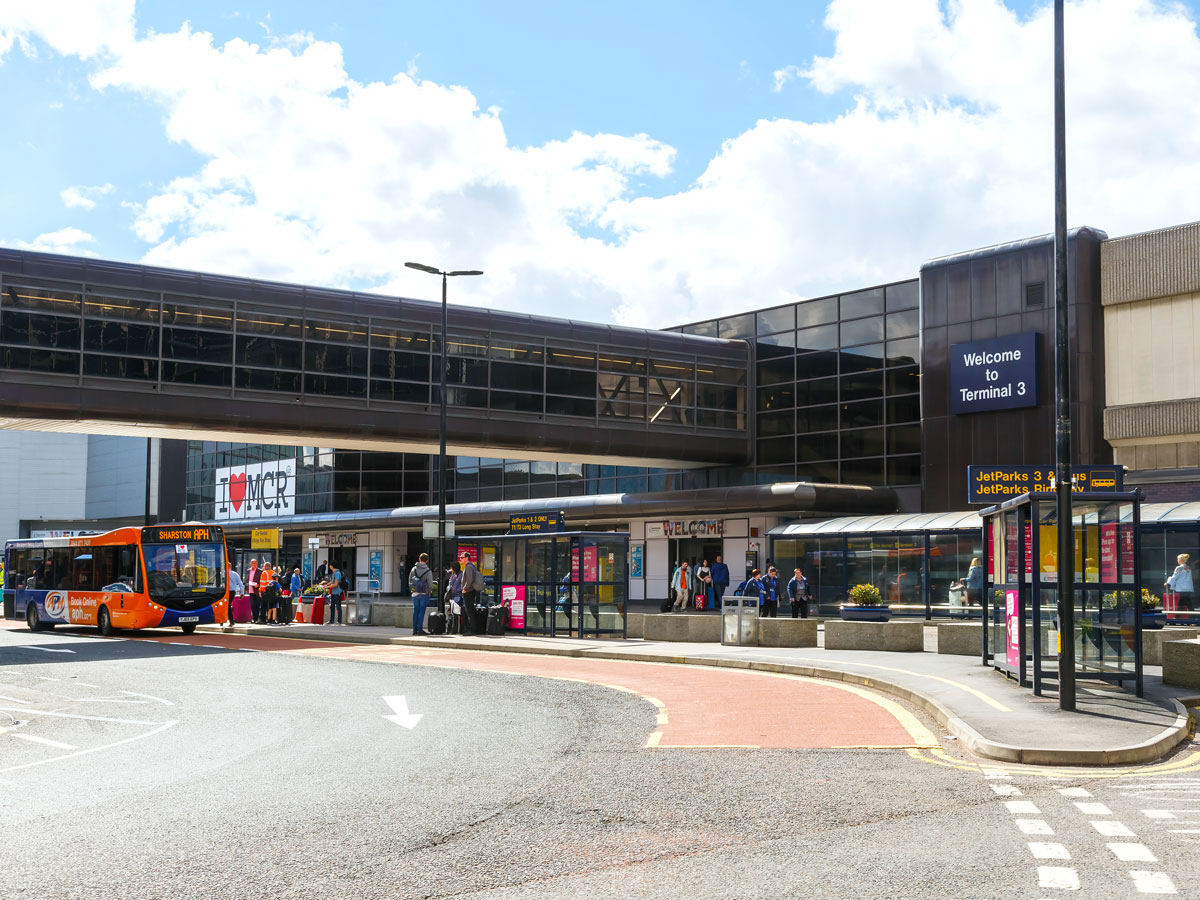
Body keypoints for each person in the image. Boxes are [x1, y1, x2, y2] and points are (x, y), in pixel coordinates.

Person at [408, 553, 433, 635]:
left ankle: (414, 630)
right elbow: (430, 585)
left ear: (419, 559)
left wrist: (413, 589)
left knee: (415, 611)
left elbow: (410, 581)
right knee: (421, 611)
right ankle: (419, 630)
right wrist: (429, 591)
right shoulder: (428, 571)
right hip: (424, 593)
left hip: (415, 593)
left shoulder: (413, 569)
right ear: (427, 561)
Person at [460, 551, 482, 635]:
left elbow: (469, 579)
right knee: (470, 610)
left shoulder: (469, 567)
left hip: (468, 591)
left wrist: (465, 588)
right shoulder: (470, 566)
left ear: (466, 558)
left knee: (469, 610)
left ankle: (473, 629)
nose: (460, 559)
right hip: (470, 591)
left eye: (462, 557)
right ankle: (473, 628)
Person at [445, 561, 463, 635]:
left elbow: (461, 585)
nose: (450, 569)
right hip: (452, 597)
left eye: (451, 567)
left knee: (457, 613)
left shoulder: (461, 575)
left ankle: (457, 628)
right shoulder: (452, 575)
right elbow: (450, 584)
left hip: (458, 596)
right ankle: (452, 628)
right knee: (452, 613)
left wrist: (456, 590)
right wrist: (449, 589)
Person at [245, 558, 261, 624]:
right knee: (252, 605)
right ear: (250, 564)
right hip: (250, 590)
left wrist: (258, 585)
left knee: (257, 605)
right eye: (252, 563)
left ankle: (256, 618)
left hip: (257, 590)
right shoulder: (248, 571)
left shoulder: (260, 571)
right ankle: (253, 618)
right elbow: (247, 580)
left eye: (255, 563)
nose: (254, 564)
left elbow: (261, 580)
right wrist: (245, 588)